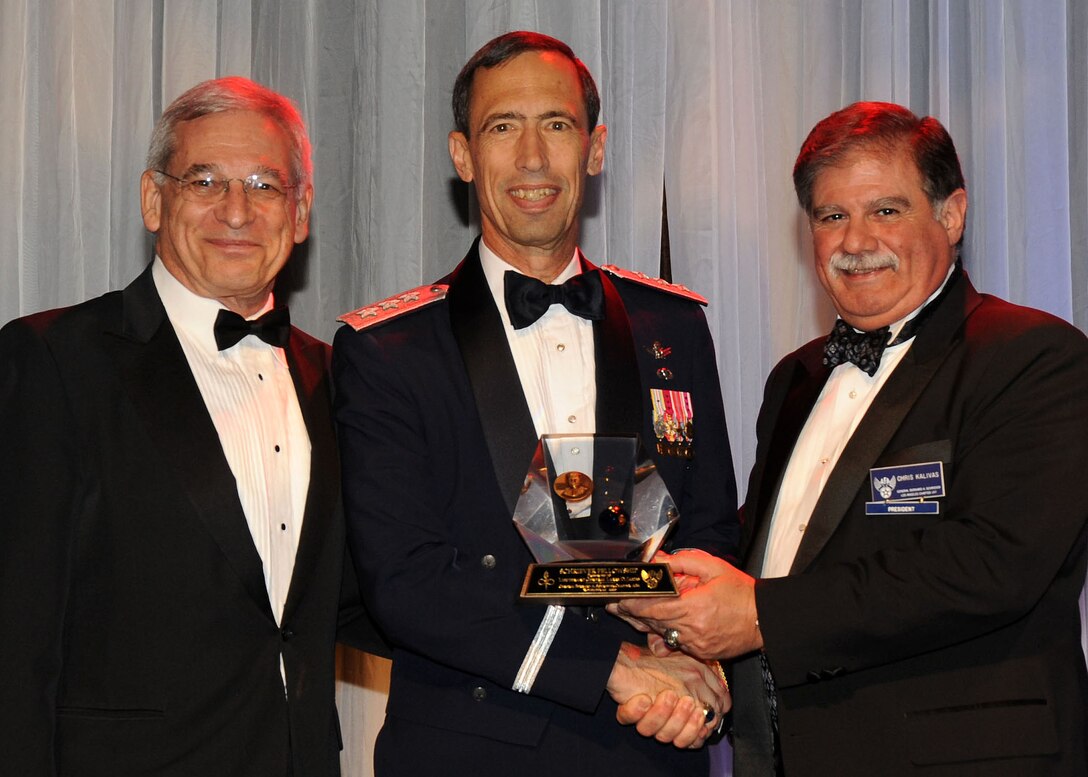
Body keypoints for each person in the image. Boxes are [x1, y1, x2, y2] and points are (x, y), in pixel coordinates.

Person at [614, 101, 1088, 776]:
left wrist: (758, 613)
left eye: (886, 211)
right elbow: (770, 556)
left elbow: (990, 565)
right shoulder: (797, 377)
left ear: (952, 214)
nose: (856, 240)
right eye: (832, 216)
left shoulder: (1033, 357)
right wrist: (667, 604)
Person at [334, 31, 738, 777]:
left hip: (650, 742)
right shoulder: (388, 350)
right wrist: (613, 667)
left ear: (595, 147)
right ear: (462, 155)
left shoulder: (671, 324)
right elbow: (407, 581)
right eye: (501, 127)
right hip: (474, 748)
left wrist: (682, 658)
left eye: (556, 125)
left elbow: (708, 529)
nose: (531, 159)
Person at [0, 76, 385, 776]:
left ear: (300, 214)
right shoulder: (56, 359)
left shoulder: (341, 377)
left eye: (266, 186)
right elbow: (16, 636)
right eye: (204, 180)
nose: (236, 210)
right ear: (155, 199)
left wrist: (577, 612)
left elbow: (376, 590)